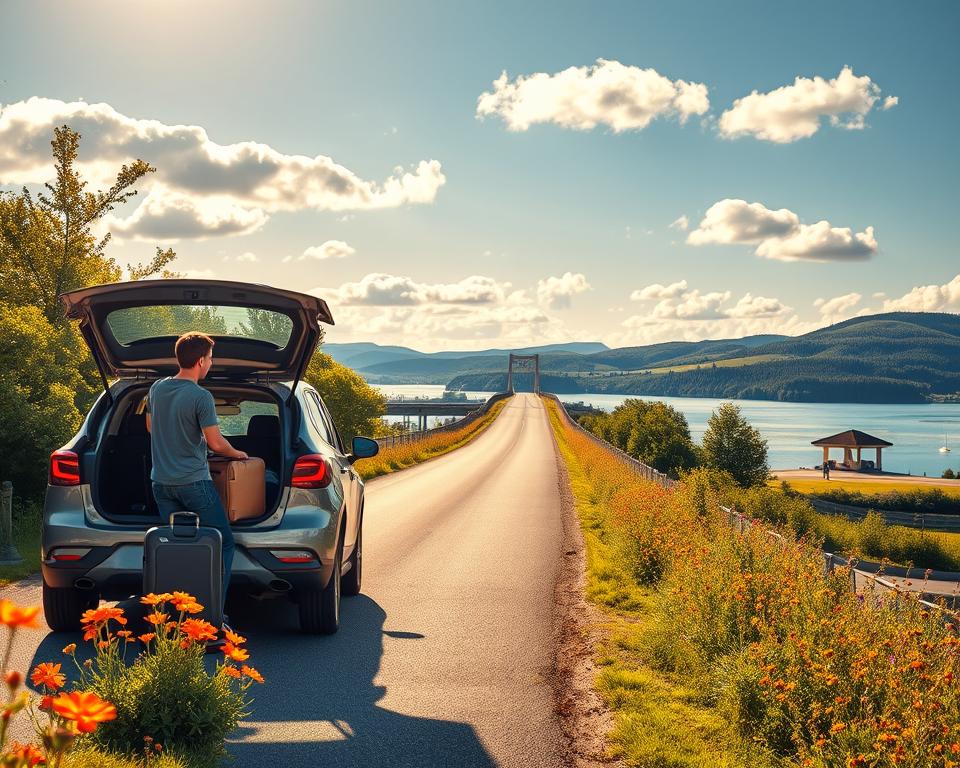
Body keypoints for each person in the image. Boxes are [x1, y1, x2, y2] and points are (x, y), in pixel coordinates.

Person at [145, 332, 247, 623]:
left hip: (161, 484)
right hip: (193, 484)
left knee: (176, 548)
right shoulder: (200, 396)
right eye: (211, 359)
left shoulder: (157, 388)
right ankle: (213, 613)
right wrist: (238, 454)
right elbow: (216, 444)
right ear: (201, 361)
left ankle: (176, 614)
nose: (211, 364)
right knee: (222, 542)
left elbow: (151, 428)